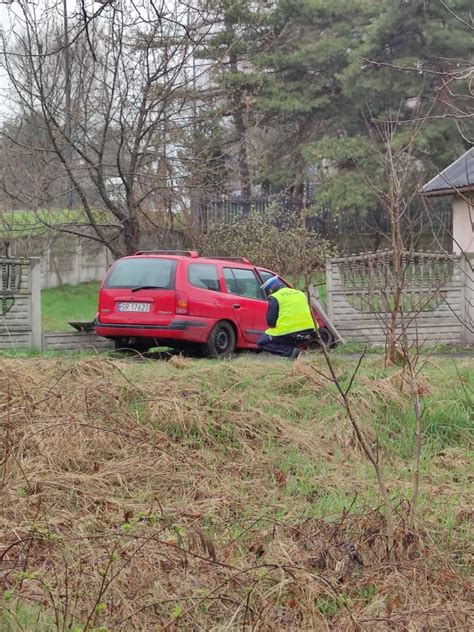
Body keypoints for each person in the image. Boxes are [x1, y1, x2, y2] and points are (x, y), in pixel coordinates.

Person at [257, 276, 316, 359]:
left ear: (270, 290)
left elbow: (271, 322)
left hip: (290, 333)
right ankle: (295, 356)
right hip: (309, 331)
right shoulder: (300, 293)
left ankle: (293, 352)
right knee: (285, 335)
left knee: (262, 342)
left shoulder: (275, 297)